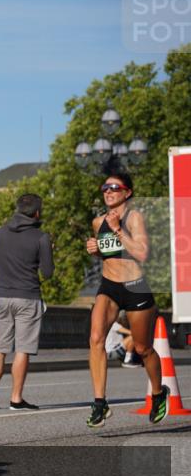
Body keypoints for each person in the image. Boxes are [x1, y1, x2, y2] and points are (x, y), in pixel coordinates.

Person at [85, 168, 166, 427]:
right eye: (105, 188)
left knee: (143, 348)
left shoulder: (134, 218)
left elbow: (141, 253)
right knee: (96, 338)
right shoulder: (98, 222)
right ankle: (100, 403)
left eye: (114, 187)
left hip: (135, 287)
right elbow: (108, 254)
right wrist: (95, 251)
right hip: (109, 286)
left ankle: (158, 393)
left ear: (127, 193)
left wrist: (119, 230)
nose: (108, 191)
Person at [0, 193, 53, 411]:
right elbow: (48, 273)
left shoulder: (0, 233)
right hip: (28, 297)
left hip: (3, 296)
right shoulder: (41, 237)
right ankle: (15, 398)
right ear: (37, 213)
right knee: (22, 349)